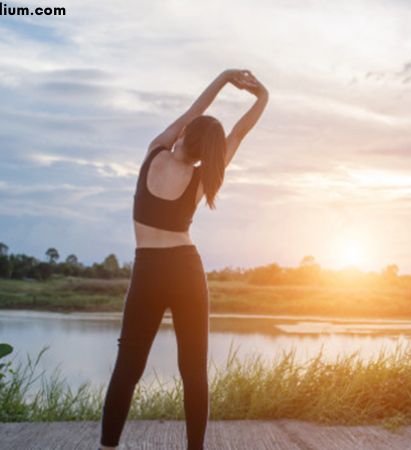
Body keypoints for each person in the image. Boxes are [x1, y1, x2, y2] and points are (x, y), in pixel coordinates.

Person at [98, 69, 269, 450]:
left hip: (148, 271)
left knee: (128, 368)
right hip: (187, 270)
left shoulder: (154, 153)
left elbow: (196, 109)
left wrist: (225, 78)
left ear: (185, 134)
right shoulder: (204, 177)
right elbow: (238, 134)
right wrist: (262, 99)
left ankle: (106, 447)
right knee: (193, 371)